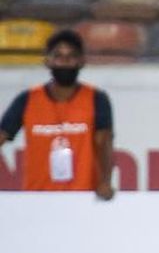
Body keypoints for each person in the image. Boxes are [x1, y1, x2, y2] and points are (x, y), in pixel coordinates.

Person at [0, 29, 115, 199]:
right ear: (47, 61)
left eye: (71, 56)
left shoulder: (96, 98)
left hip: (83, 197)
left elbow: (104, 143)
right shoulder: (28, 99)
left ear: (82, 61)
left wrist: (105, 181)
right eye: (59, 56)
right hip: (36, 198)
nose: (65, 61)